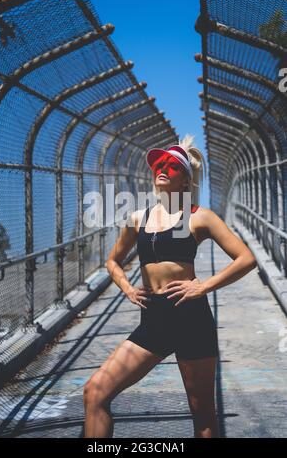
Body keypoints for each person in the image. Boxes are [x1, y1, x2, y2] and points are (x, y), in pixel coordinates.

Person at [83, 135, 257, 438]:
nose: (161, 168)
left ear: (186, 180)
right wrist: (126, 287)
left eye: (171, 165)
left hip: (191, 317)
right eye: (158, 164)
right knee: (95, 391)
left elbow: (246, 258)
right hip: (154, 319)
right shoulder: (139, 218)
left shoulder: (198, 217)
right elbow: (113, 261)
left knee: (202, 411)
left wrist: (203, 287)